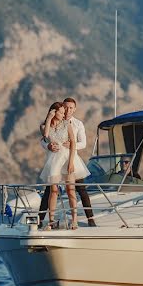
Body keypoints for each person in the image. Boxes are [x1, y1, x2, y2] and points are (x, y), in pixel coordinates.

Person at [38, 97, 96, 227]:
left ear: (74, 109)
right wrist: (48, 146)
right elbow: (44, 139)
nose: (68, 110)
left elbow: (83, 143)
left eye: (70, 108)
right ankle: (41, 219)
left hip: (71, 157)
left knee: (79, 189)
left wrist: (71, 146)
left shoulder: (77, 124)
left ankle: (90, 218)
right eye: (66, 108)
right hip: (55, 159)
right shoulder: (49, 124)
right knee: (50, 190)